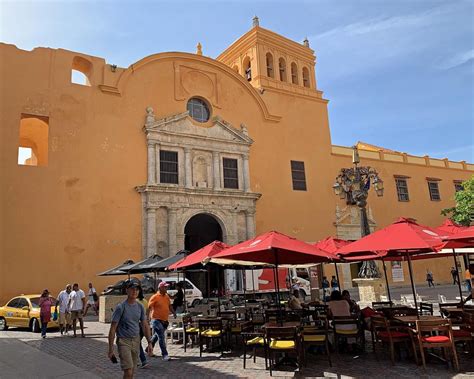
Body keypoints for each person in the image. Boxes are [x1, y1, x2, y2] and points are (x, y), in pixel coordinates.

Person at [108, 280, 153, 379]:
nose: (135, 291)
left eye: (137, 289)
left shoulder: (140, 307)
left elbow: (145, 325)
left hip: (136, 341)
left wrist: (150, 342)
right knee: (128, 370)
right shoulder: (120, 307)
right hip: (123, 341)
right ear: (127, 290)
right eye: (132, 289)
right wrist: (110, 349)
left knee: (132, 371)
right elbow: (113, 328)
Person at [148, 281, 176, 361]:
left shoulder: (166, 296)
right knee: (161, 336)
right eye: (165, 287)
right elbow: (149, 307)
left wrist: (173, 312)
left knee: (157, 335)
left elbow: (169, 305)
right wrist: (147, 318)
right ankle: (165, 354)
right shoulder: (155, 297)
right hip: (156, 320)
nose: (166, 288)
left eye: (166, 287)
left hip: (164, 320)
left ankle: (148, 348)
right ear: (160, 288)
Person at [137, 286, 149, 369]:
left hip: (137, 324)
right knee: (137, 343)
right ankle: (137, 360)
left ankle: (143, 360)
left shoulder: (135, 302)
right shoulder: (145, 301)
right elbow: (147, 313)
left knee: (137, 343)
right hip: (144, 324)